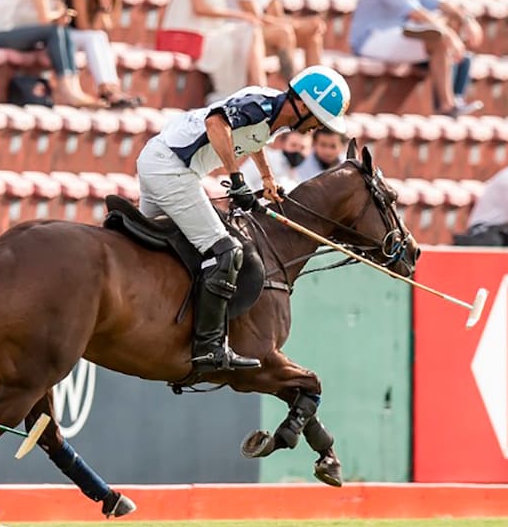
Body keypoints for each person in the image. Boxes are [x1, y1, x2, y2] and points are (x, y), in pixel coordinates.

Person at [135, 65, 351, 373]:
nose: (317, 127)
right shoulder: (260, 104)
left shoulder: (275, 117)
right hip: (171, 169)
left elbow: (254, 139)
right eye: (318, 118)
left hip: (165, 163)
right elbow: (216, 123)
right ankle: (209, 347)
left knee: (145, 247)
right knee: (226, 251)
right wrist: (236, 179)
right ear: (303, 105)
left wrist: (266, 176)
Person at [349, 0, 475, 117]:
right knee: (438, 39)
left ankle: (451, 101)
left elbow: (435, 1)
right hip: (369, 39)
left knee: (441, 42)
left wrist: (467, 20)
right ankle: (447, 105)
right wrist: (451, 36)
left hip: (391, 36)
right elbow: (415, 11)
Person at [415, 0, 483, 113]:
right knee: (445, 45)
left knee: (464, 58)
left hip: (433, 39)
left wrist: (466, 21)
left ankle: (456, 101)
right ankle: (446, 105)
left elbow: (449, 8)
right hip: (414, 39)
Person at [67, 0, 142, 107]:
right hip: (67, 35)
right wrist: (101, 6)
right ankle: (106, 90)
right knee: (94, 37)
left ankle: (113, 88)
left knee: (99, 36)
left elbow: (108, 27)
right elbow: (83, 25)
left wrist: (105, 4)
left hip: (89, 35)